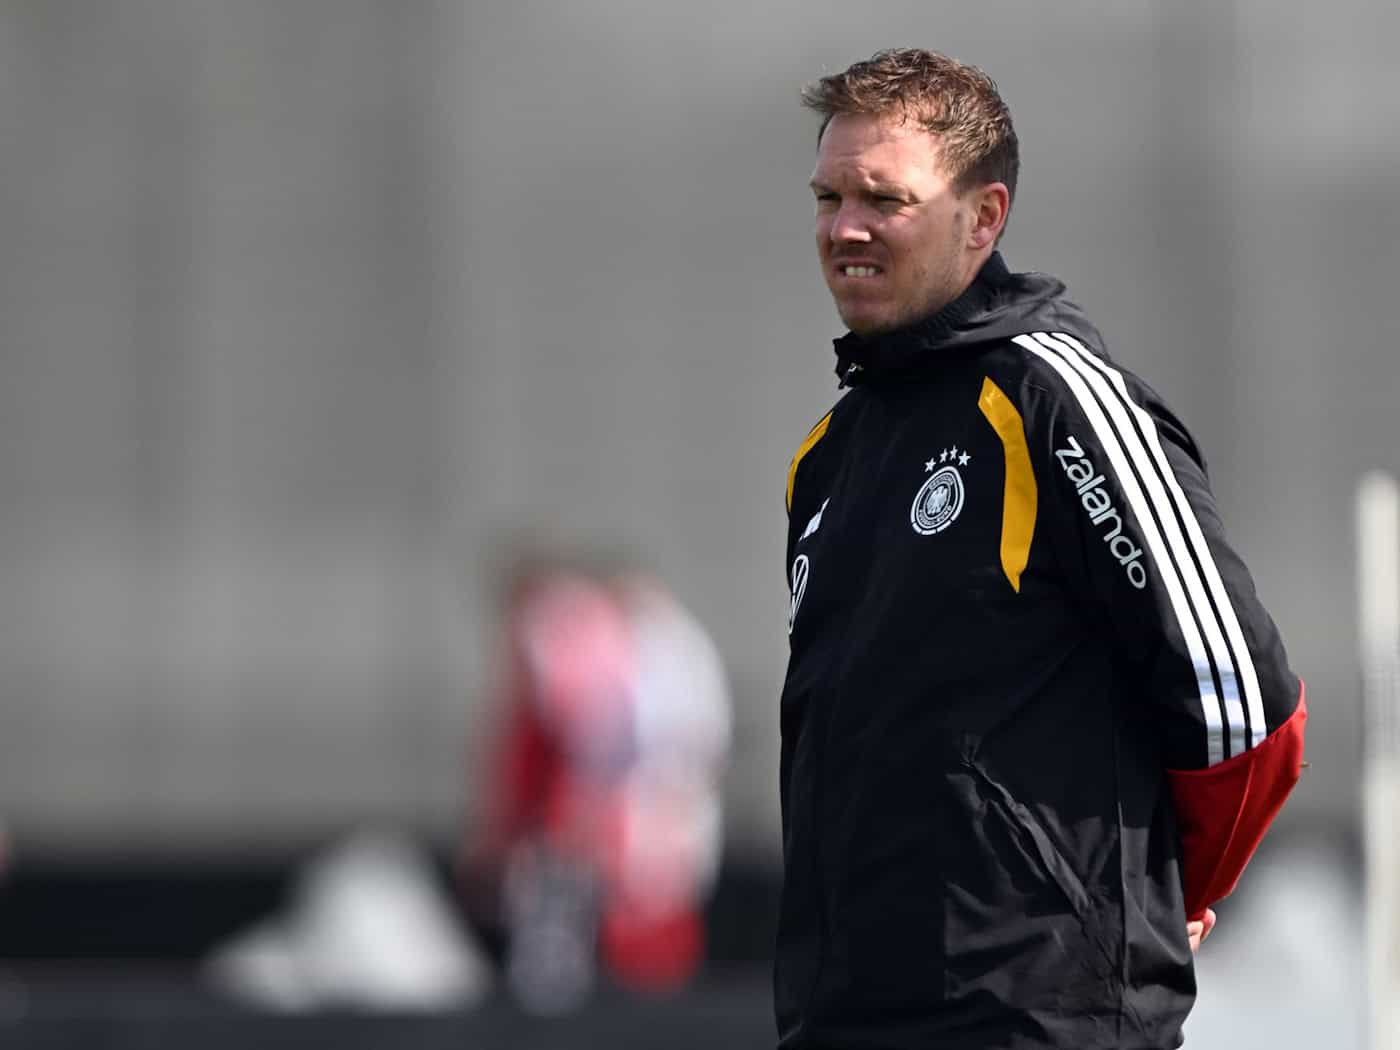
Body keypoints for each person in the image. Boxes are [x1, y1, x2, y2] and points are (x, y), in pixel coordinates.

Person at [777, 48, 1307, 1049]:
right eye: (827, 195)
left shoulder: (1053, 398)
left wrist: (1168, 888)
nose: (842, 228)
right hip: (843, 1016)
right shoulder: (830, 451)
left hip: (1035, 1017)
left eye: (883, 200)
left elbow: (1241, 699)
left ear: (982, 219)